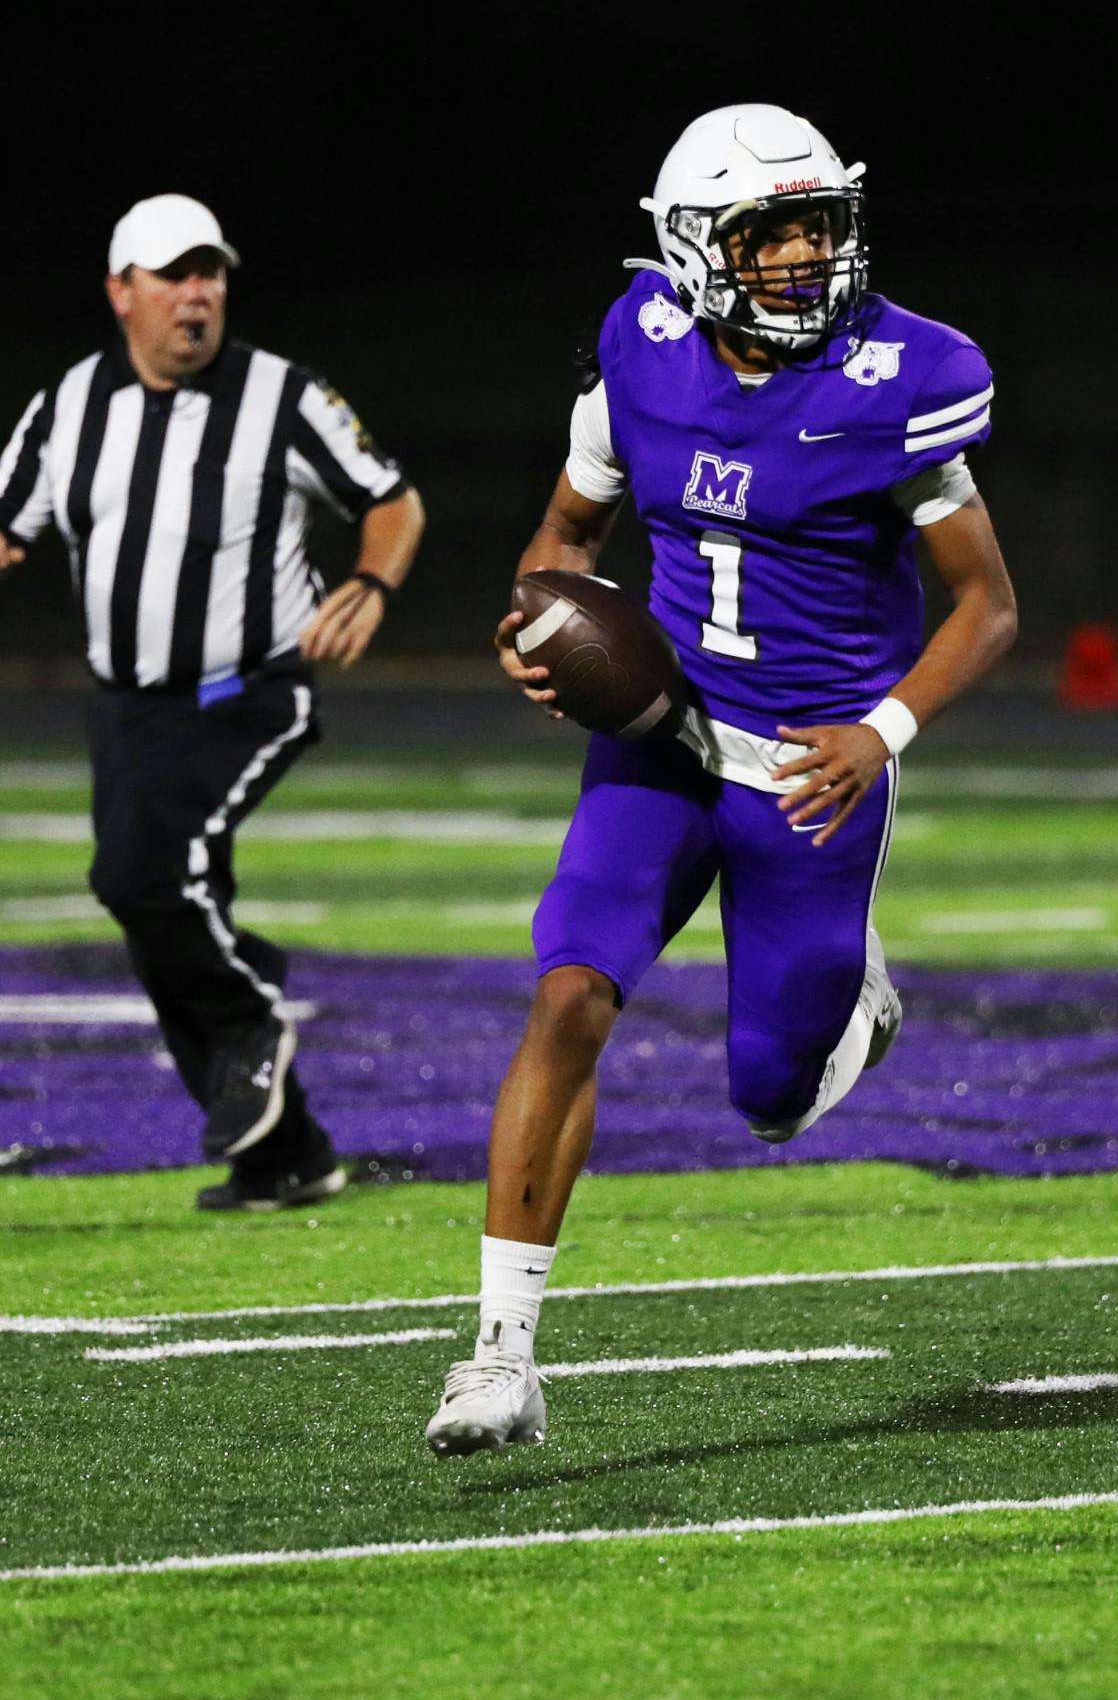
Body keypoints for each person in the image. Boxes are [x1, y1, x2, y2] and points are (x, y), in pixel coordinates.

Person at [426, 105, 1017, 1454]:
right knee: (571, 988)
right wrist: (532, 617)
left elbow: (985, 607)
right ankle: (499, 1356)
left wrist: (883, 734)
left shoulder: (897, 381)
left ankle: (855, 1001)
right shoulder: (636, 351)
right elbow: (568, 531)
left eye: (820, 226)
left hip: (811, 771)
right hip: (656, 737)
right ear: (698, 249)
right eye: (771, 233)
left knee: (764, 1094)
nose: (807, 256)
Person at [0, 193, 425, 1211]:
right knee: (152, 912)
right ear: (122, 291)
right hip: (123, 706)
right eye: (174, 274)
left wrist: (372, 582)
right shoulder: (71, 401)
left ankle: (253, 1010)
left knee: (146, 875)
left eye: (211, 271)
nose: (198, 293)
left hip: (247, 691)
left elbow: (391, 495)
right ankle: (286, 1152)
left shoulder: (281, 395)